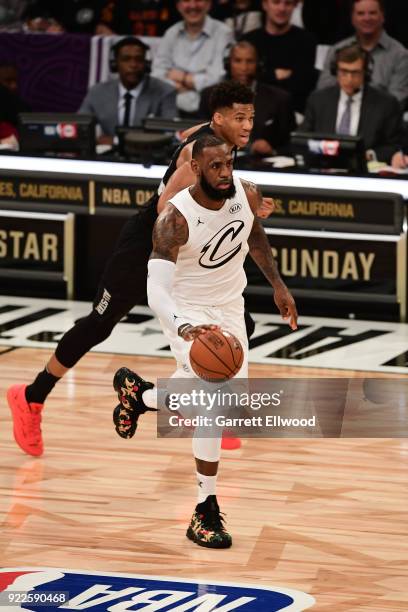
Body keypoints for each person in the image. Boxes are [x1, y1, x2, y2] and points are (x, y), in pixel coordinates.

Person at [7, 81, 287, 458]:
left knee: (235, 326)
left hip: (185, 251)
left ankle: (198, 408)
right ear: (221, 119)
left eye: (251, 117)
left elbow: (193, 133)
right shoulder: (197, 152)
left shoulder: (216, 137)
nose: (249, 125)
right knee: (98, 324)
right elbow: (165, 209)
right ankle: (31, 397)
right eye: (241, 117)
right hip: (146, 246)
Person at [112, 134, 298, 548]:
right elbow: (155, 291)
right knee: (213, 402)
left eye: (228, 163)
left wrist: (278, 285)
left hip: (230, 308)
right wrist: (183, 326)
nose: (225, 172)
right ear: (195, 169)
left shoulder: (245, 195)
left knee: (230, 401)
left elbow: (253, 236)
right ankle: (204, 509)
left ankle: (139, 396)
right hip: (189, 310)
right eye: (215, 166)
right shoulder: (174, 219)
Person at [301, 43, 402, 163]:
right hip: (324, 168)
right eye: (344, 72)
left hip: (366, 172)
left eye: (355, 73)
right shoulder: (318, 100)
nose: (349, 79)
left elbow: (394, 144)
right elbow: (303, 139)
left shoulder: (386, 104)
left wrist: (368, 156)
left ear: (366, 72)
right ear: (335, 71)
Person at [199, 41, 296, 155]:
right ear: (228, 64)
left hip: (262, 165)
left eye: (249, 61)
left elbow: (291, 142)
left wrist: (272, 150)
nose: (244, 67)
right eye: (238, 61)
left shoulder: (280, 99)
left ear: (259, 64)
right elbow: (201, 137)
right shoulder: (209, 95)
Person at [78, 37, 177, 146]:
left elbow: (171, 134)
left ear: (146, 64)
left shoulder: (165, 91)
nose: (133, 65)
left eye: (138, 59)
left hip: (148, 154)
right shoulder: (98, 92)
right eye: (126, 59)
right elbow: (79, 127)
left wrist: (116, 141)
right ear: (115, 64)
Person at [317, 0, 408, 108]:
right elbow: (323, 92)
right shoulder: (337, 50)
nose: (367, 18)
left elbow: (396, 101)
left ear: (382, 17)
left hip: (381, 121)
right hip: (339, 116)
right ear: (352, 19)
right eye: (360, 13)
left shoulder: (401, 55)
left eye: (372, 13)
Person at [151, 0, 233, 117]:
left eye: (198, 0)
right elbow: (156, 75)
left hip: (210, 113)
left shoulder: (224, 33)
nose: (193, 6)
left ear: (209, 4)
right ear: (178, 6)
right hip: (172, 112)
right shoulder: (171, 33)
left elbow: (218, 79)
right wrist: (191, 84)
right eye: (186, 0)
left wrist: (182, 78)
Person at [242, 0, 317, 112]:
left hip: (293, 111)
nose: (282, 8)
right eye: (276, 2)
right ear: (265, 4)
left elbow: (301, 85)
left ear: (294, 6)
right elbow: (245, 80)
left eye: (288, 3)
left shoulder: (306, 41)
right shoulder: (249, 40)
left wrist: (265, 75)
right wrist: (276, 75)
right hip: (252, 110)